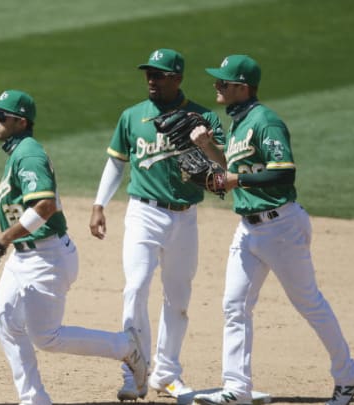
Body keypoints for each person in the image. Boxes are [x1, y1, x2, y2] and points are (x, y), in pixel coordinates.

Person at [190, 55, 354, 405]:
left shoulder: (265, 121)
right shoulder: (240, 123)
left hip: (281, 226)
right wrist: (209, 148)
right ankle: (236, 388)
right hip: (249, 229)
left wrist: (236, 179)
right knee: (234, 305)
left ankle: (348, 374)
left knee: (308, 302)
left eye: (223, 82)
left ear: (242, 87)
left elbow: (283, 172)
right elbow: (236, 167)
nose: (217, 86)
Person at [0, 89, 148, 405]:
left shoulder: (29, 155)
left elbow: (45, 207)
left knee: (47, 338)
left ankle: (125, 347)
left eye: (0, 116)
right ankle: (34, 399)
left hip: (47, 256)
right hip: (25, 257)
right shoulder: (17, 154)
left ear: (20, 121)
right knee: (6, 323)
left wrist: (2, 239)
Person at [89, 48, 224, 401]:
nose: (151, 79)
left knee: (177, 298)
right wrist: (99, 204)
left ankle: (166, 374)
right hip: (143, 213)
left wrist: (206, 144)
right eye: (149, 73)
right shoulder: (132, 116)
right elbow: (116, 163)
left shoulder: (204, 116)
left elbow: (223, 167)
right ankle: (132, 370)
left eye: (159, 74)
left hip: (185, 216)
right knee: (135, 288)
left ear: (177, 78)